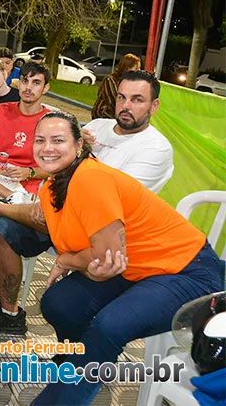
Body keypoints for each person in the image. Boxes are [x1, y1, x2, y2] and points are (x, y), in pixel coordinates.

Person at [30, 109, 224, 405]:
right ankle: (82, 365)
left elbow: (106, 261)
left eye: (58, 140)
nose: (47, 148)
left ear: (79, 145)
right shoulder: (52, 188)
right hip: (135, 268)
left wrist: (66, 261)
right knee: (60, 303)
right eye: (39, 140)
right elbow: (102, 262)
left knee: (110, 326)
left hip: (186, 269)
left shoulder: (89, 178)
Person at [0, 70, 175, 335]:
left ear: (154, 106)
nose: (126, 106)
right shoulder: (95, 127)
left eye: (137, 100)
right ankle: (9, 313)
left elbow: (111, 202)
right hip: (61, 216)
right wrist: (36, 173)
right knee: (4, 230)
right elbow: (56, 164)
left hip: (101, 234)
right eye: (121, 97)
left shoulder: (155, 148)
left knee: (18, 215)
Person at [0, 61, 51, 195]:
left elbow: (57, 167)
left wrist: (29, 172)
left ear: (45, 88)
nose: (28, 87)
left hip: (25, 186)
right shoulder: (1, 111)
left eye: (36, 83)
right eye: (25, 81)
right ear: (18, 83)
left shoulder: (51, 122)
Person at [91, 53, 141, 119]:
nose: (139, 71)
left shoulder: (130, 83)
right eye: (136, 68)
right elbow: (114, 101)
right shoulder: (110, 79)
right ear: (127, 68)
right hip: (103, 116)